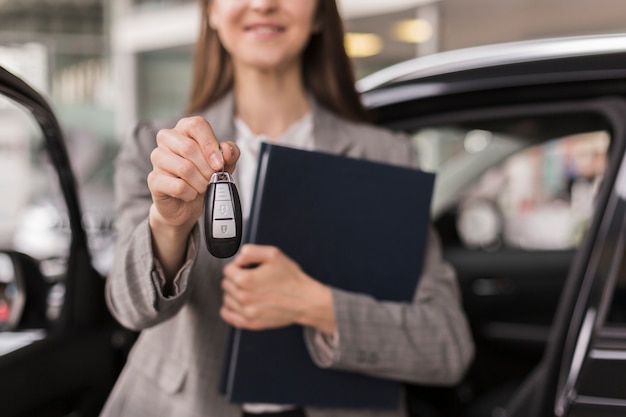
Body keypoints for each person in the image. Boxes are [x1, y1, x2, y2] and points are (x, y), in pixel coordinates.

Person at [100, 0, 474, 416]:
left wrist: (316, 305)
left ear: (318, 13)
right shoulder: (162, 149)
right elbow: (129, 306)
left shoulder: (386, 156)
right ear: (211, 11)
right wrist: (169, 226)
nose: (263, 4)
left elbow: (447, 347)